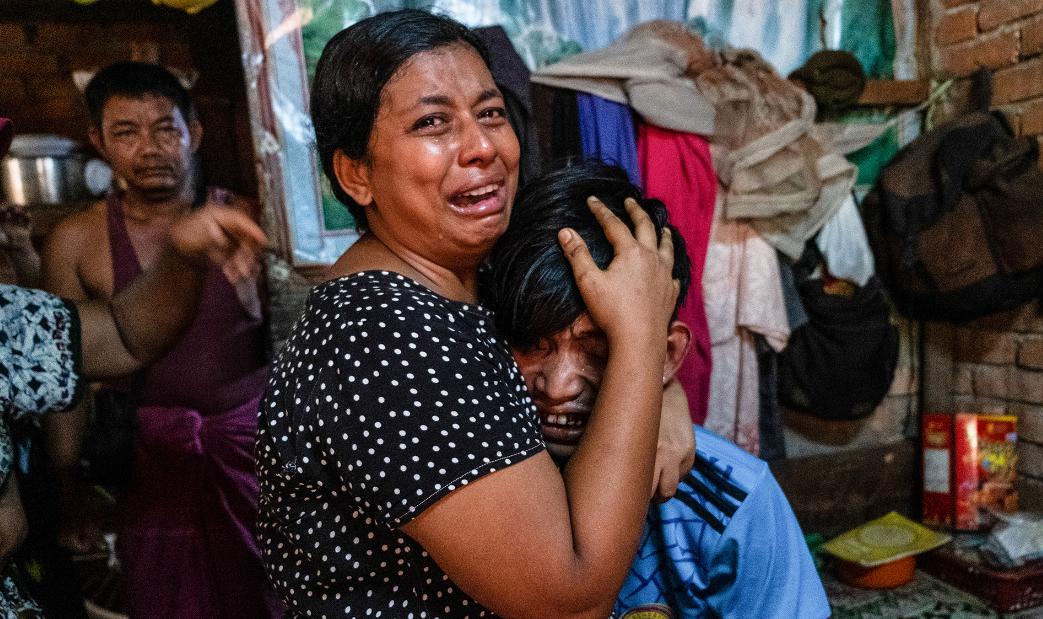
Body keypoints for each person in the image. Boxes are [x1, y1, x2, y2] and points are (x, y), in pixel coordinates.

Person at [257, 9, 689, 618]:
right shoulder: (389, 337)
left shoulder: (460, 283)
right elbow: (568, 601)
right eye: (432, 123)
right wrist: (642, 341)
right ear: (355, 174)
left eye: (490, 114)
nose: (483, 147)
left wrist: (665, 394)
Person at [484, 161, 831, 619]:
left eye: (598, 349)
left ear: (667, 355)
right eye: (531, 344)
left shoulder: (731, 500)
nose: (557, 387)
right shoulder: (473, 474)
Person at [1, 111, 269, 616]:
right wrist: (69, 490)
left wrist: (183, 251)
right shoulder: (78, 238)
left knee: (267, 590)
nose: (149, 148)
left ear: (196, 132)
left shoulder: (248, 216)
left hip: (248, 454)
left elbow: (110, 338)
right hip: (147, 466)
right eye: (127, 132)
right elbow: (71, 385)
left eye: (166, 129)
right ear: (98, 142)